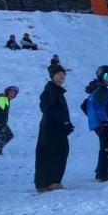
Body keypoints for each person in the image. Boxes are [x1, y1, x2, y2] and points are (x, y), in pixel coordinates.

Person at [35, 65, 74, 193]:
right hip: (51, 128)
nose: (62, 76)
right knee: (54, 153)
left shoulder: (56, 90)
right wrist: (63, 122)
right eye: (59, 74)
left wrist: (66, 123)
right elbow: (47, 109)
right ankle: (51, 182)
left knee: (57, 152)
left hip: (55, 127)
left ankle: (46, 182)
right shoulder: (51, 90)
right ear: (52, 76)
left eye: (63, 74)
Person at [85, 65, 108, 182]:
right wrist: (104, 122)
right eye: (107, 76)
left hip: (100, 123)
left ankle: (100, 171)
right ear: (100, 76)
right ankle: (103, 173)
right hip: (103, 124)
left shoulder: (99, 88)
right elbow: (98, 107)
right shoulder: (101, 90)